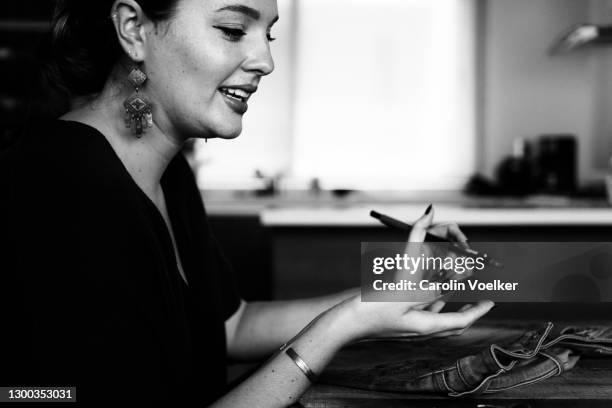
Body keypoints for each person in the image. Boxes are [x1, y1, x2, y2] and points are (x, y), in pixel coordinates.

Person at [0, 0, 494, 405]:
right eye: (234, 29)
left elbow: (230, 325)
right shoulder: (60, 184)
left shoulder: (169, 168)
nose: (266, 60)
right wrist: (345, 325)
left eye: (269, 35)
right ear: (134, 30)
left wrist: (382, 296)